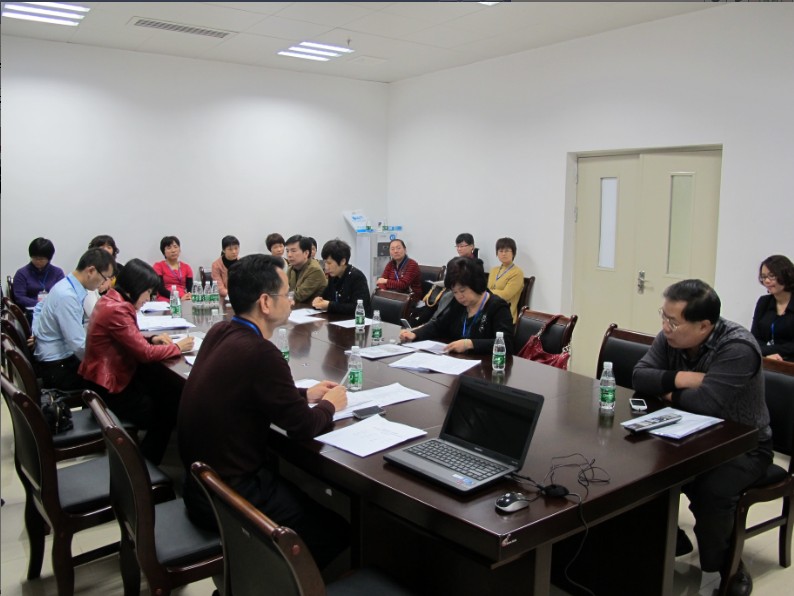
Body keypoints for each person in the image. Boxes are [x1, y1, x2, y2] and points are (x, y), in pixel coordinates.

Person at [178, 254, 349, 569]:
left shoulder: (221, 331)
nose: (291, 300)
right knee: (336, 531)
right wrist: (330, 404)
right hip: (230, 496)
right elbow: (302, 426)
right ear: (266, 303)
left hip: (201, 484)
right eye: (286, 294)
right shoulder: (261, 353)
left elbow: (252, 389)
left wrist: (304, 393)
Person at [633, 279, 772, 596]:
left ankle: (727, 568)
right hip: (688, 435)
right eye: (663, 316)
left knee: (711, 492)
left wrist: (667, 390)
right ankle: (672, 541)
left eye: (673, 322)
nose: (665, 327)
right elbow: (640, 375)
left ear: (704, 326)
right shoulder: (671, 337)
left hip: (743, 446)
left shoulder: (737, 348)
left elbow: (707, 404)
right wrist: (685, 378)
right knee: (639, 470)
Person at [79, 258, 194, 464]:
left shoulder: (111, 299)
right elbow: (145, 354)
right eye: (148, 292)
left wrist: (152, 338)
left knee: (165, 388)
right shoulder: (117, 309)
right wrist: (178, 347)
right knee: (168, 409)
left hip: (100, 380)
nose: (148, 298)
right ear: (135, 287)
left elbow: (128, 337)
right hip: (110, 388)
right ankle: (145, 465)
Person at [32, 248, 116, 390]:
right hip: (58, 366)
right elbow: (79, 345)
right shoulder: (68, 296)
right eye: (104, 277)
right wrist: (108, 362)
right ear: (91, 271)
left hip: (58, 357)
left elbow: (39, 307)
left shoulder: (65, 284)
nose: (104, 282)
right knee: (111, 381)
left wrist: (37, 332)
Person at [400, 257, 513, 354]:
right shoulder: (458, 304)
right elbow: (439, 325)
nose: (459, 296)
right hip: (457, 362)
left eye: (462, 290)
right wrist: (414, 334)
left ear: (476, 284)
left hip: (487, 367)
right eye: (455, 292)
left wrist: (470, 344)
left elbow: (507, 343)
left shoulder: (497, 307)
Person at [751, 254, 793, 362]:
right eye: (763, 277)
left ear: (786, 275)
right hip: (768, 360)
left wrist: (768, 351)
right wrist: (768, 354)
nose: (767, 281)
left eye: (772, 276)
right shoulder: (764, 302)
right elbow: (754, 339)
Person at [312, 239, 371, 316]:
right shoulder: (333, 276)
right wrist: (318, 300)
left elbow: (357, 307)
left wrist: (329, 305)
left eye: (329, 263)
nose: (326, 267)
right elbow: (325, 297)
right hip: (337, 319)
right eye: (325, 262)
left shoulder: (357, 277)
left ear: (343, 261)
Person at [13, 237, 65, 309]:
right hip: (31, 310)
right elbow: (20, 298)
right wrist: (41, 304)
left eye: (41, 259)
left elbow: (62, 294)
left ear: (49, 258)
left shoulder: (57, 273)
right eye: (34, 258)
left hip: (53, 309)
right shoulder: (21, 273)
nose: (37, 261)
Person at [487, 237, 525, 322]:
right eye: (500, 251)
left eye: (507, 251)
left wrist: (488, 292)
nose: (503, 254)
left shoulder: (517, 272)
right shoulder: (494, 270)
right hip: (490, 312)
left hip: (506, 315)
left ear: (513, 253)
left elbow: (506, 295)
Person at [85, 234, 121, 315]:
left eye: (109, 247)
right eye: (102, 247)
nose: (105, 250)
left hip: (117, 306)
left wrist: (111, 281)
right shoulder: (90, 270)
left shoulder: (119, 268)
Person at [285, 235, 327, 303]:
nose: (289, 255)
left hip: (311, 308)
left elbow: (298, 296)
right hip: (295, 307)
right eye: (287, 251)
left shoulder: (315, 270)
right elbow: (282, 288)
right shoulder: (291, 268)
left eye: (293, 251)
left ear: (306, 253)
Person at [153, 236, 194, 302]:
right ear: (164, 252)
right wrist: (177, 298)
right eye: (169, 248)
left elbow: (189, 289)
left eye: (175, 247)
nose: (173, 250)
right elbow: (160, 289)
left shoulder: (186, 267)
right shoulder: (158, 266)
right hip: (165, 299)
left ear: (179, 250)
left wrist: (187, 296)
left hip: (184, 299)